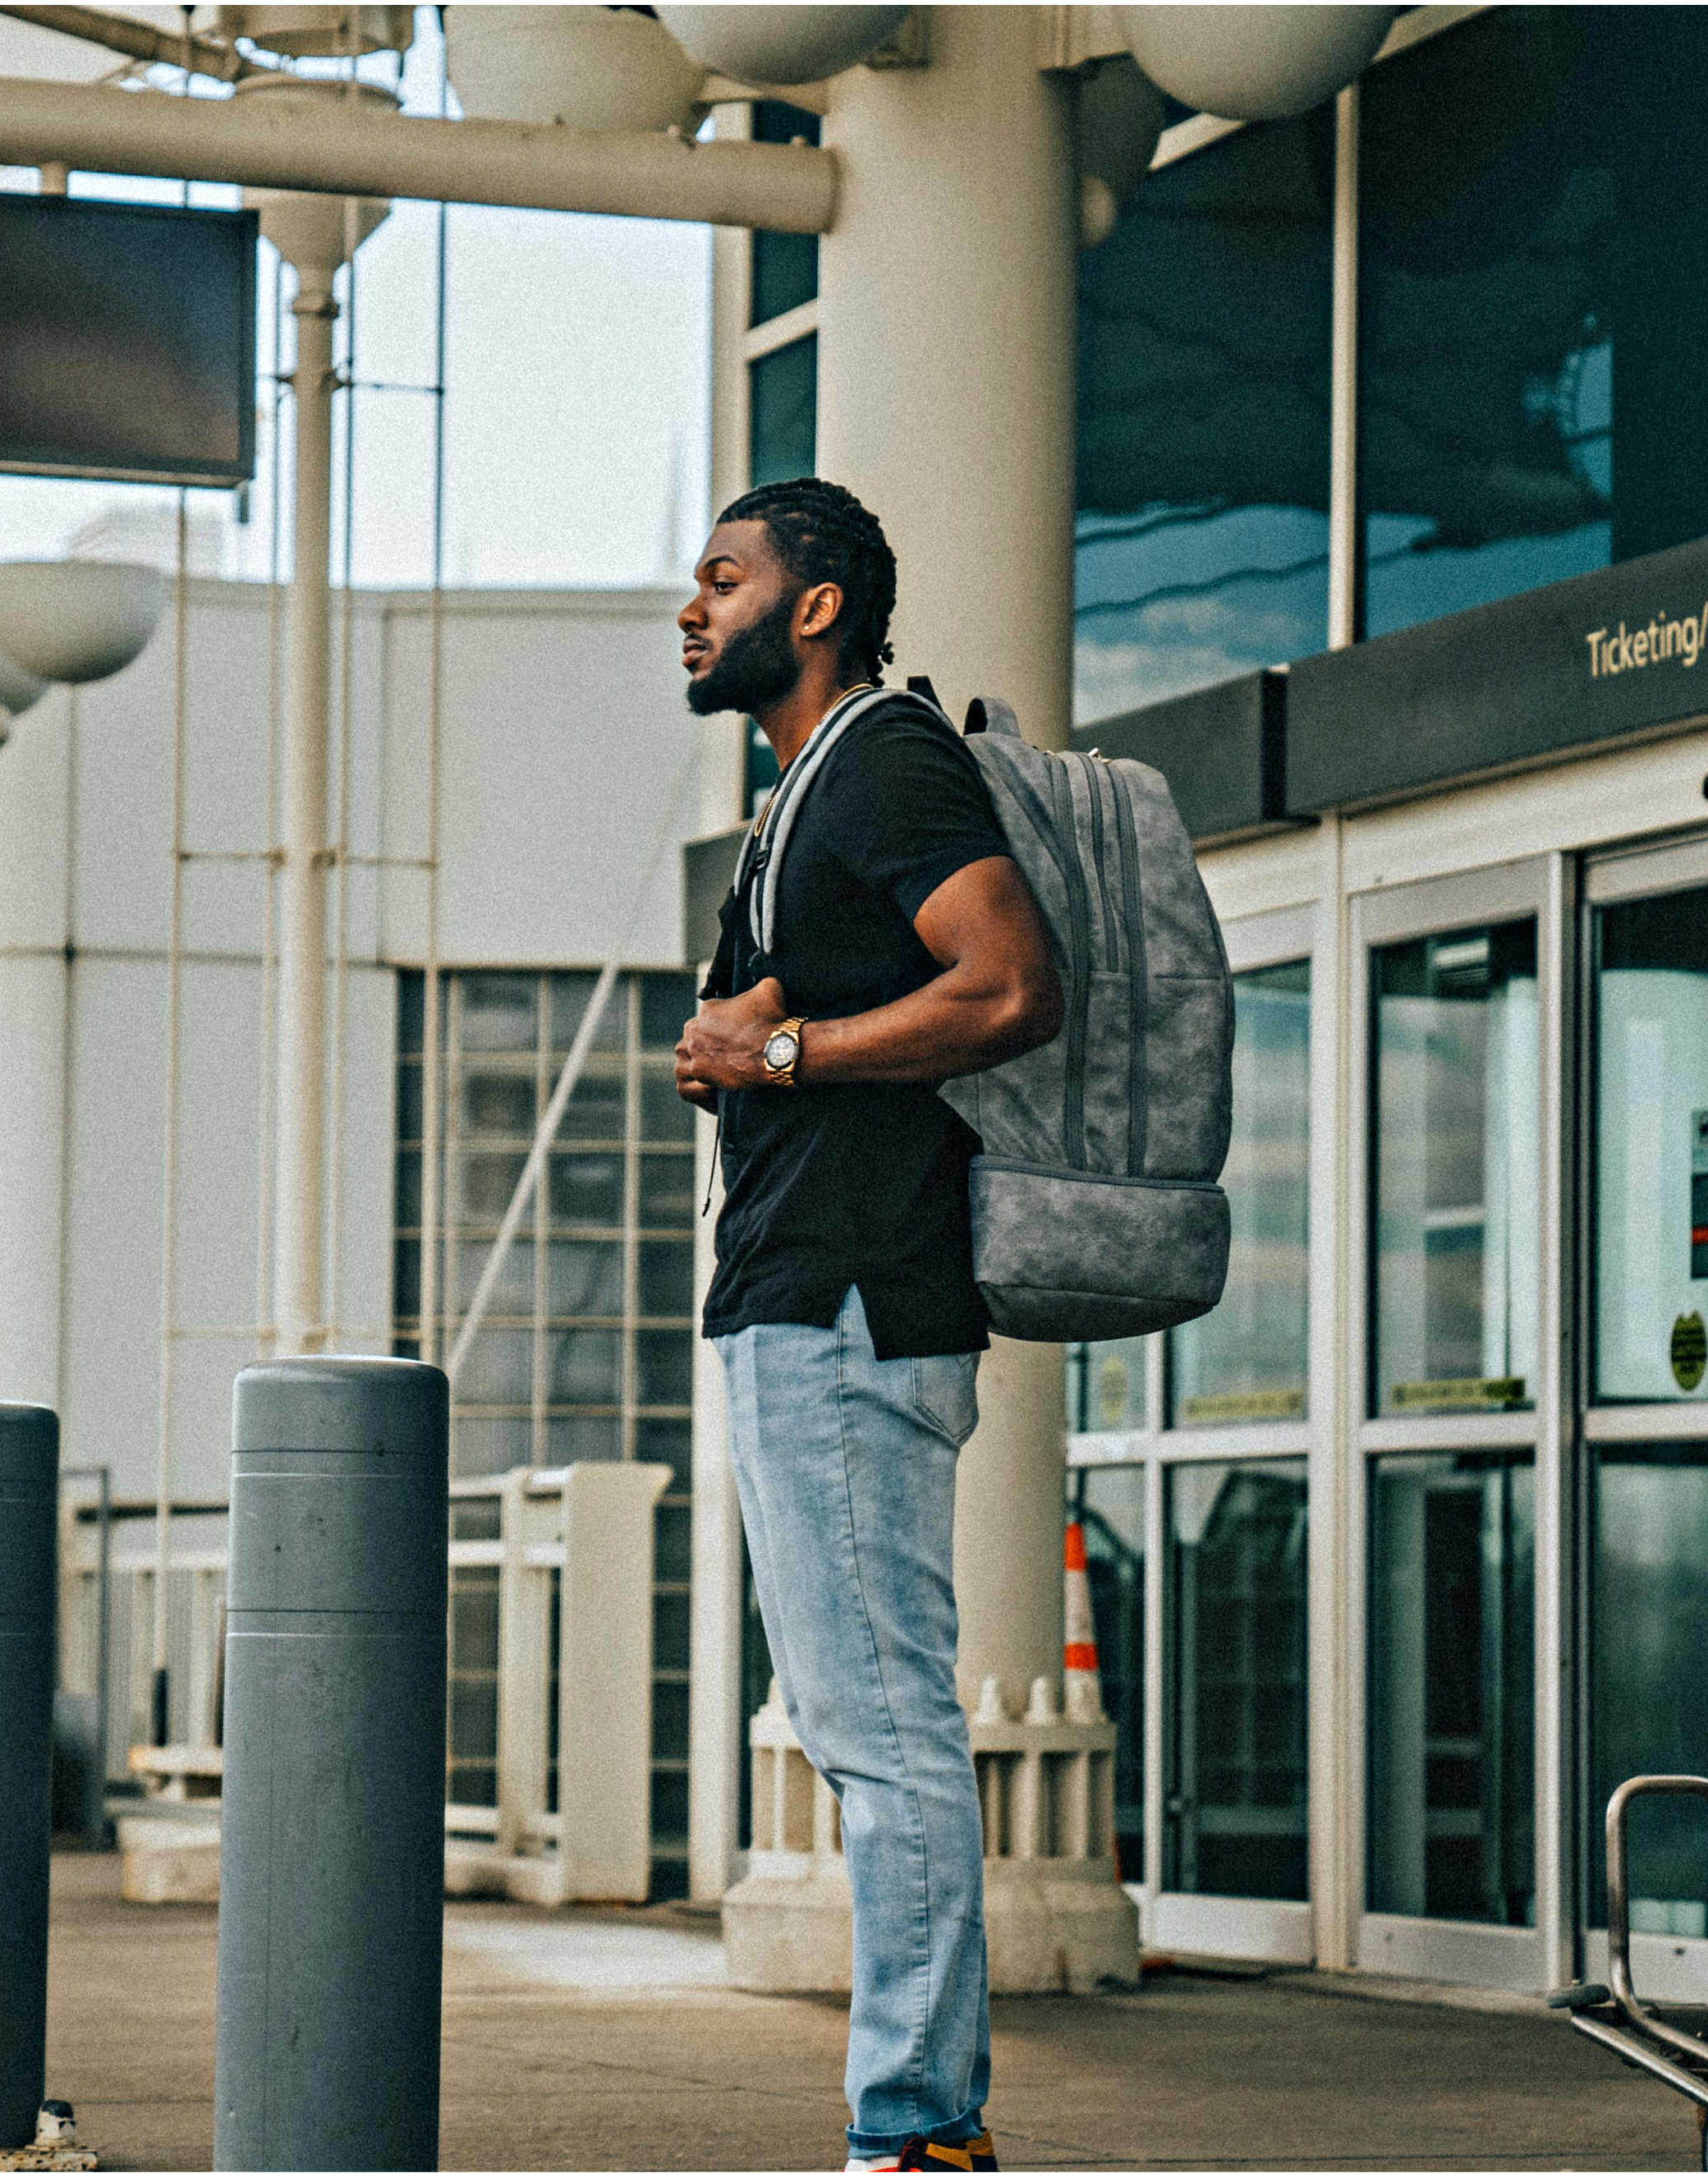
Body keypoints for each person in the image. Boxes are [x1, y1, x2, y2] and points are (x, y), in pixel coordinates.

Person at [673, 476, 1063, 2173]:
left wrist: (773, 1055)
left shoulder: (888, 760)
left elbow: (1006, 983)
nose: (691, 610)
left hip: (846, 1305)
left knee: (887, 1730)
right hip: (812, 1302)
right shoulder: (798, 800)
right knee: (864, 1728)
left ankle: (919, 2133)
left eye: (722, 578)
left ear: (814, 604)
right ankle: (921, 2126)